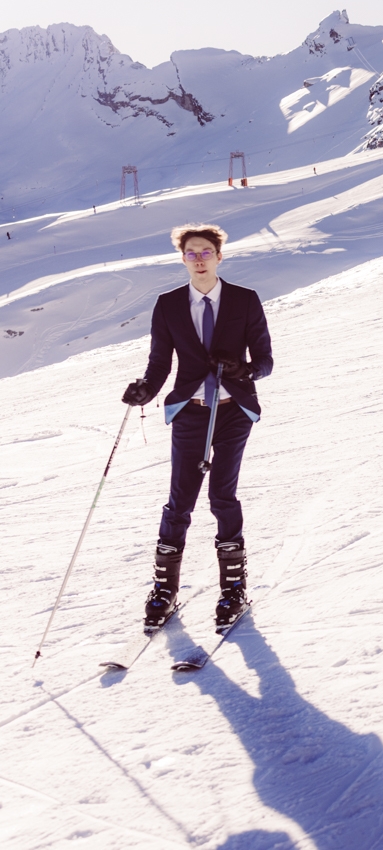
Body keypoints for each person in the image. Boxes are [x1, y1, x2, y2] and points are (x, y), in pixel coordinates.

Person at [121, 224, 273, 630]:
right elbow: (159, 364)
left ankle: (233, 587)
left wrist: (245, 370)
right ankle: (164, 589)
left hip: (232, 410)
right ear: (183, 258)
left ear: (220, 256)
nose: (200, 259)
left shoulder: (244, 300)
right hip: (190, 411)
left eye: (207, 251)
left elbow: (265, 360)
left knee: (222, 496)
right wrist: (145, 390)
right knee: (180, 500)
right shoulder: (168, 304)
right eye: (192, 253)